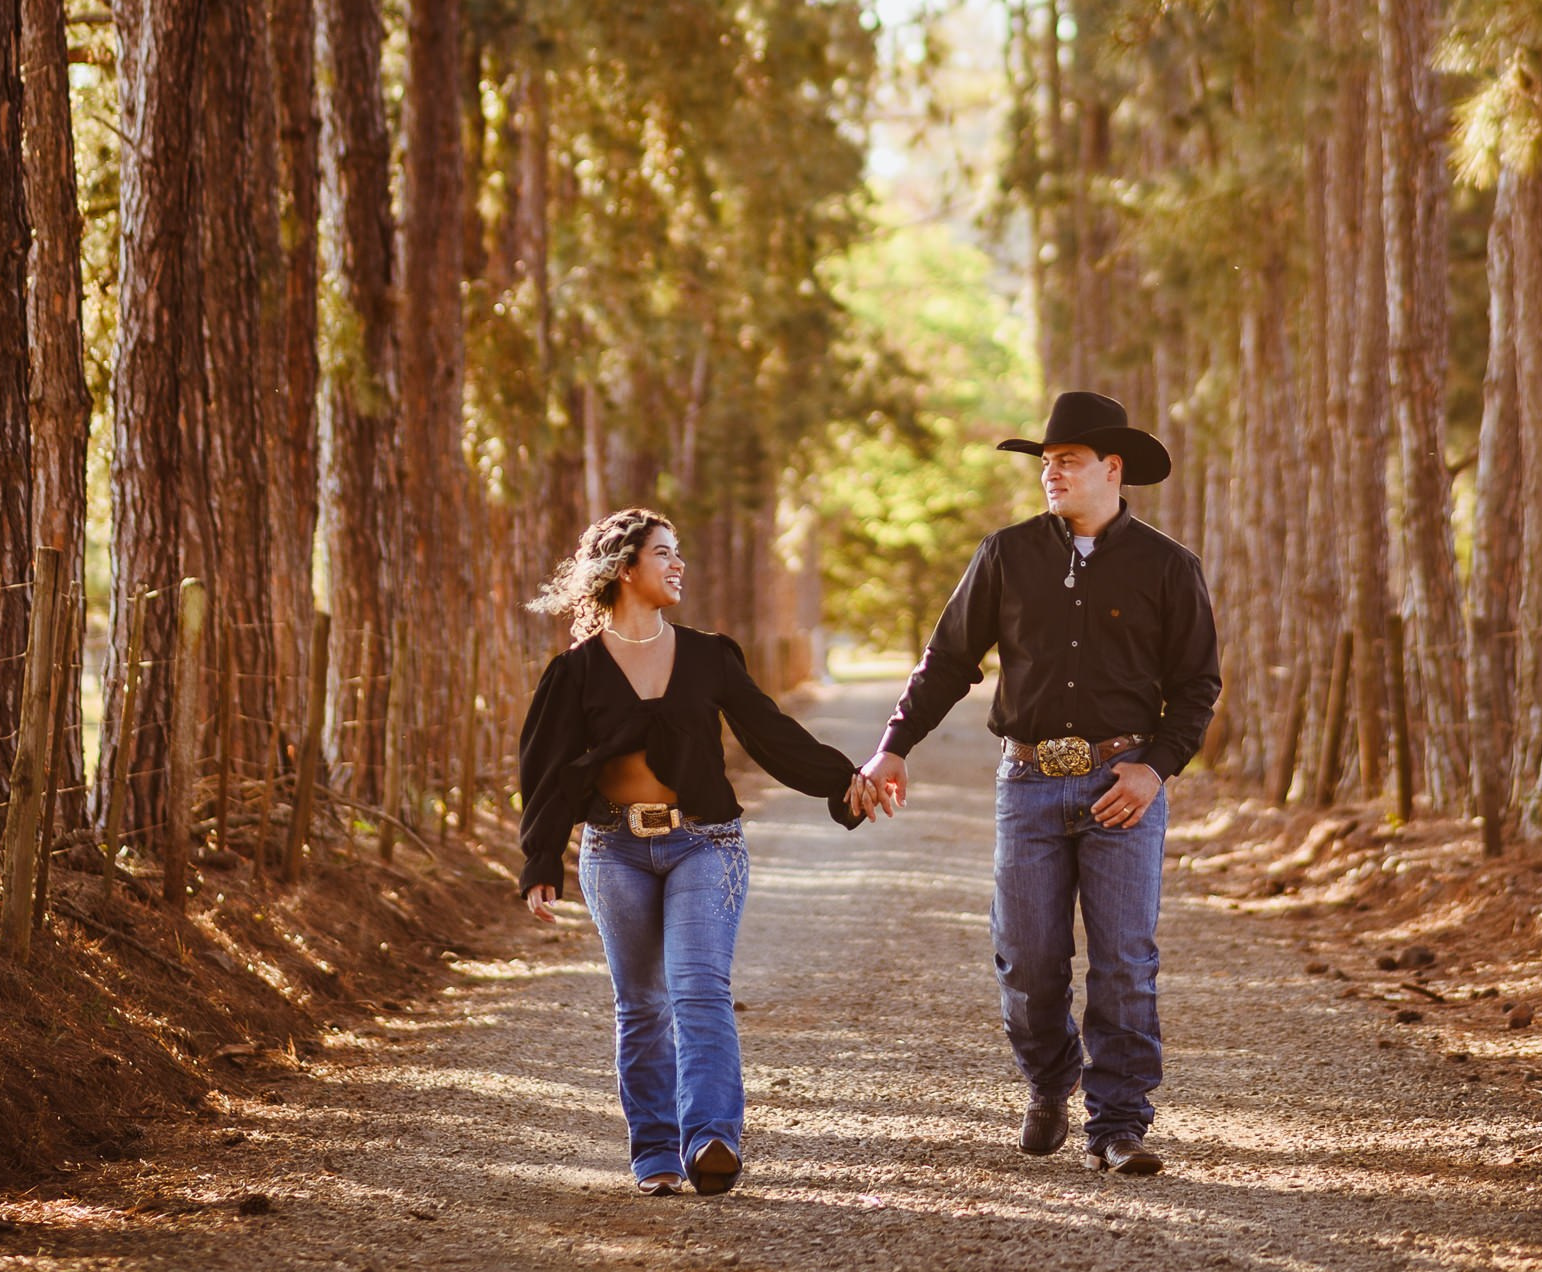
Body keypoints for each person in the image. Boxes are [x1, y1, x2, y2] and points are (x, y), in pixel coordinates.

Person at [861, 390, 1219, 1177]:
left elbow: (1197, 687)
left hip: (1120, 786)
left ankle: (1119, 1123)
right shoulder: (1006, 554)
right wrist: (894, 746)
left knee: (1125, 958)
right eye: (1046, 463)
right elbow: (948, 661)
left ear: (1111, 468)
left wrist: (1154, 768)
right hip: (1025, 782)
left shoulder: (1167, 566)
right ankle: (1050, 1082)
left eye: (1067, 461)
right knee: (1026, 958)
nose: (1051, 474)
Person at [519, 506, 886, 1197]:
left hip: (705, 844)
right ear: (625, 570)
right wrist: (541, 861)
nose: (678, 564)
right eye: (664, 554)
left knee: (698, 990)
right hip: (614, 850)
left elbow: (772, 734)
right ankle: (653, 1152)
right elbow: (547, 772)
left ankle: (712, 1138)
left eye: (678, 551)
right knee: (641, 1004)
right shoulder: (575, 673)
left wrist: (846, 781)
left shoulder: (709, 655)